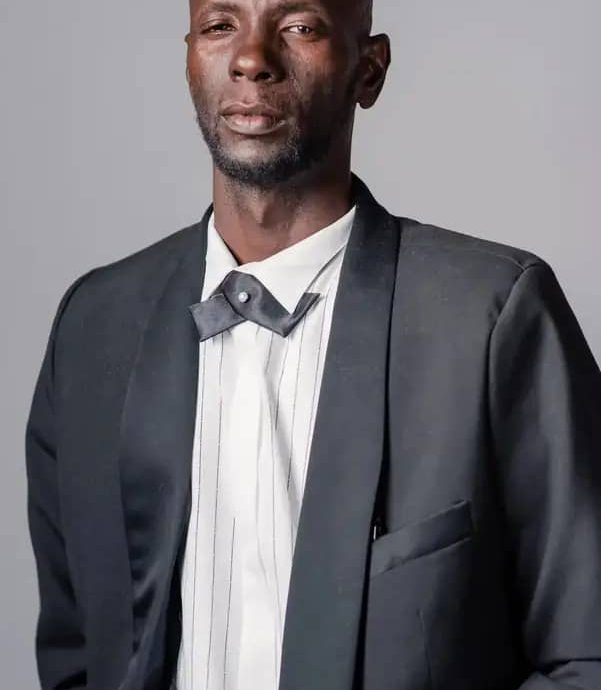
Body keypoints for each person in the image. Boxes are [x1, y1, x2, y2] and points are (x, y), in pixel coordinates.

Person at [25, 0, 601, 688]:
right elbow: (76, 655)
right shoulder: (93, 327)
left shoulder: (492, 316)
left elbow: (585, 655)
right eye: (219, 26)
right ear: (189, 60)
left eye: (299, 26)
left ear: (369, 70)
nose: (251, 59)